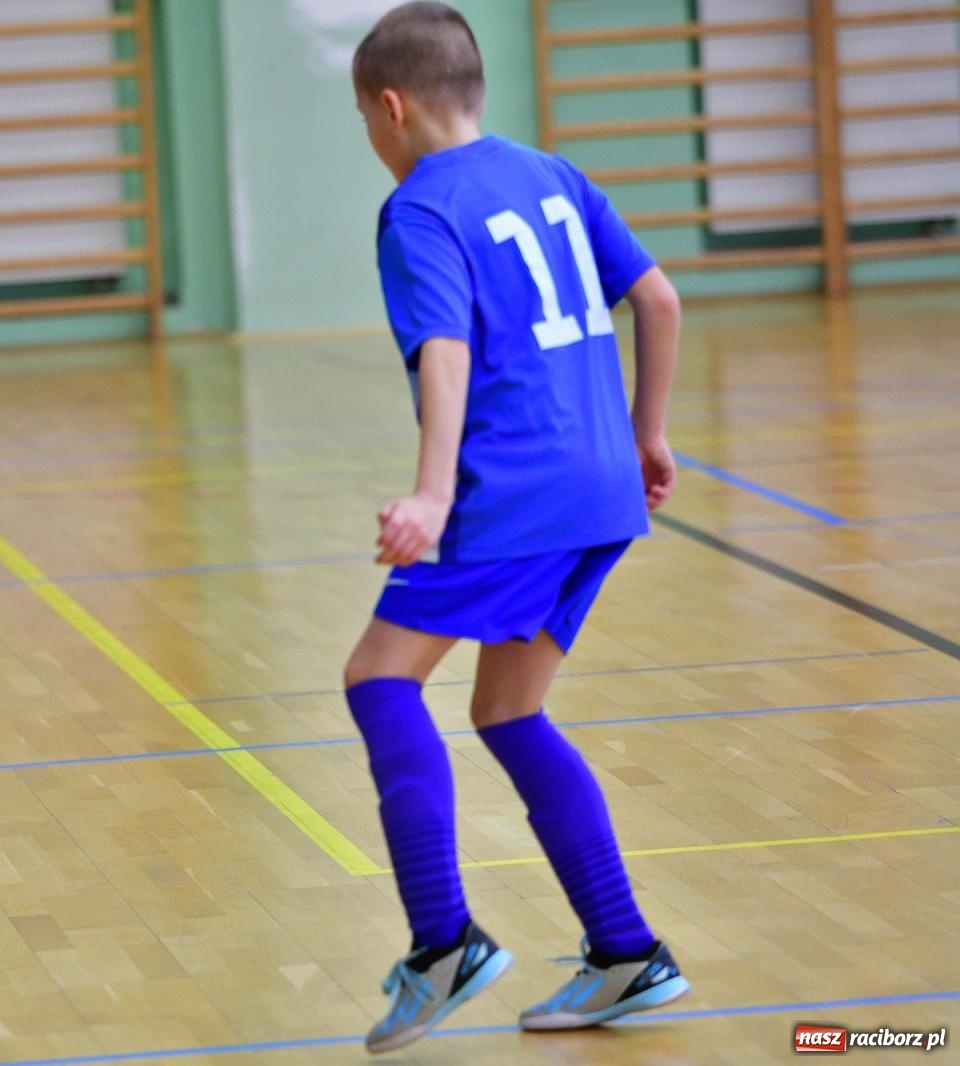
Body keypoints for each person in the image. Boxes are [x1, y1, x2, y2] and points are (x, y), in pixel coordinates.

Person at [344, 3, 688, 1052]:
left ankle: (440, 939)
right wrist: (646, 434)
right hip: (599, 495)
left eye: (364, 119)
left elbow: (443, 350)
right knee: (506, 708)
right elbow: (660, 299)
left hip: (513, 495)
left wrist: (433, 495)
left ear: (391, 109)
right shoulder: (552, 173)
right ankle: (626, 952)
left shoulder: (417, 212)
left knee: (377, 680)